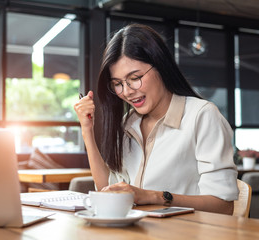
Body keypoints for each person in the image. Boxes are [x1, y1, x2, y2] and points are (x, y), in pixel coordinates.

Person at [74, 23, 239, 215]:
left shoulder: (201, 115)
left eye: (135, 78)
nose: (127, 92)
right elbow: (106, 190)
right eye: (118, 84)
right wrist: (87, 130)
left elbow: (223, 206)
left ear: (160, 66)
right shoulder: (129, 123)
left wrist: (153, 196)